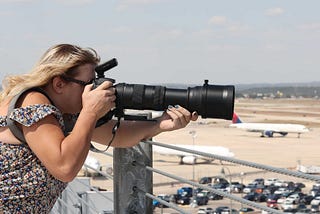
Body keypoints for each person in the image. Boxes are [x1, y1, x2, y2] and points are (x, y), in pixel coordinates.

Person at [0, 44, 198, 213]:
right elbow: (64, 167)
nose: (93, 90)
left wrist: (160, 124)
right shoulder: (32, 102)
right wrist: (91, 112)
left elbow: (118, 136)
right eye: (87, 84)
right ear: (59, 83)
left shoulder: (64, 113)